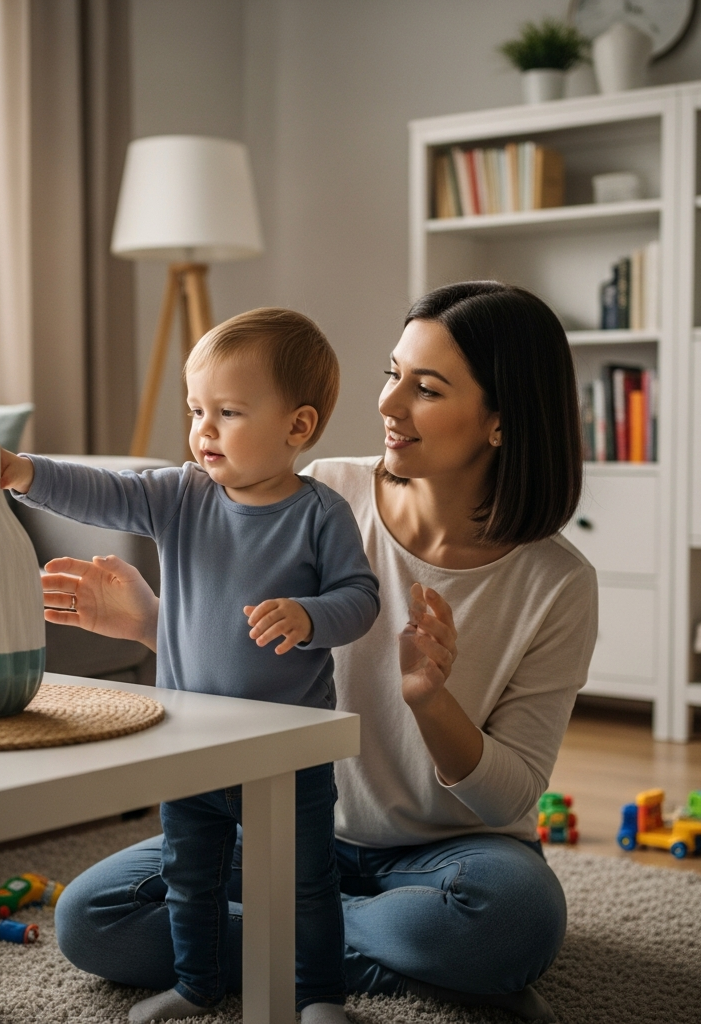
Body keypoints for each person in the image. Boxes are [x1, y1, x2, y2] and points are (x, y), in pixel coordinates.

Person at [42, 282, 598, 1024]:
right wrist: (153, 622)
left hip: (448, 859)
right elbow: (255, 653)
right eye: (392, 374)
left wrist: (431, 699)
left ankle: (319, 938)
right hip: (287, 825)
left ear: (501, 422)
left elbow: (507, 799)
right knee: (92, 915)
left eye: (426, 388)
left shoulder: (557, 583)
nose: (390, 405)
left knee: (513, 921)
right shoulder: (324, 491)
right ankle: (394, 955)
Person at [0, 307, 380, 1024]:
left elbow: (361, 599)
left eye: (228, 411)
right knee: (190, 878)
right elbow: (104, 491)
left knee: (304, 883)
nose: (203, 430)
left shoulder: (320, 514)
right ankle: (199, 983)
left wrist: (312, 617)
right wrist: (25, 473)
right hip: (189, 740)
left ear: (298, 427)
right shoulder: (182, 495)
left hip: (289, 752)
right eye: (195, 410)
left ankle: (318, 995)